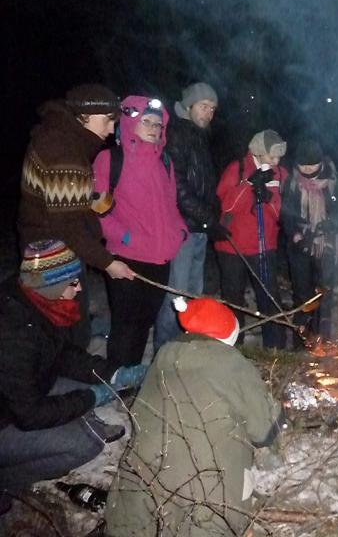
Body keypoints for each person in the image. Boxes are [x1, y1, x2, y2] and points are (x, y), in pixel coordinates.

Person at [104, 296, 283, 537]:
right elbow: (264, 430)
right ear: (227, 336)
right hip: (210, 500)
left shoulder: (163, 356)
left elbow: (139, 411)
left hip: (140, 492)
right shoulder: (231, 362)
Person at [0, 241, 146, 516]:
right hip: (7, 418)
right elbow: (29, 415)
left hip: (24, 393)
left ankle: (85, 421)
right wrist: (90, 398)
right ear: (51, 286)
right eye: (73, 283)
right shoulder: (13, 336)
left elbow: (63, 354)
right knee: (85, 445)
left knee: (89, 385)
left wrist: (112, 373)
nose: (79, 288)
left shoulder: (37, 301)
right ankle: (8, 482)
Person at [18, 84, 136, 348]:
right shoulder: (64, 151)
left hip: (48, 247)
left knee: (59, 327)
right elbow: (67, 225)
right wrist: (107, 263)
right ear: (86, 116)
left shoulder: (62, 138)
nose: (111, 130)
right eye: (108, 120)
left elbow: (55, 199)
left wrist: (87, 201)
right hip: (51, 256)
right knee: (63, 334)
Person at [92, 96, 187, 367]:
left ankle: (131, 378)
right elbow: (97, 210)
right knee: (125, 326)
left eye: (158, 124)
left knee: (144, 324)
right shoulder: (110, 159)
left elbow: (171, 205)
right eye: (147, 122)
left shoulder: (164, 161)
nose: (154, 128)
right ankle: (117, 380)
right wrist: (124, 237)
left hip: (160, 259)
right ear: (130, 122)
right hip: (127, 258)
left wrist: (180, 232)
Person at [154, 82, 228, 350]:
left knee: (193, 294)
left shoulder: (199, 136)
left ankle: (185, 349)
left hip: (198, 228)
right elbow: (178, 188)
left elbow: (205, 184)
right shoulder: (177, 135)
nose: (209, 113)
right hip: (182, 229)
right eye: (204, 106)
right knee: (177, 295)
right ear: (189, 106)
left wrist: (214, 214)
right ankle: (164, 352)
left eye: (213, 109)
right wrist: (206, 217)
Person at [215, 130, 288, 349]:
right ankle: (233, 344)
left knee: (269, 296)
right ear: (258, 152)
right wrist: (248, 185)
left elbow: (279, 214)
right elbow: (226, 206)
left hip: (264, 246)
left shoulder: (279, 174)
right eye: (272, 157)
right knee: (233, 298)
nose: (276, 162)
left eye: (279, 157)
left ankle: (275, 347)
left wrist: (267, 196)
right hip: (232, 247)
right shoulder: (237, 168)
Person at [282, 139, 338, 343]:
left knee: (324, 292)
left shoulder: (332, 181)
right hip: (300, 243)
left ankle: (323, 340)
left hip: (326, 243)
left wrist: (333, 223)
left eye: (312, 164)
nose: (307, 168)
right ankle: (302, 341)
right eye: (303, 164)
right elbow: (285, 213)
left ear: (320, 163)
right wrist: (296, 234)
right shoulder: (292, 182)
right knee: (302, 294)